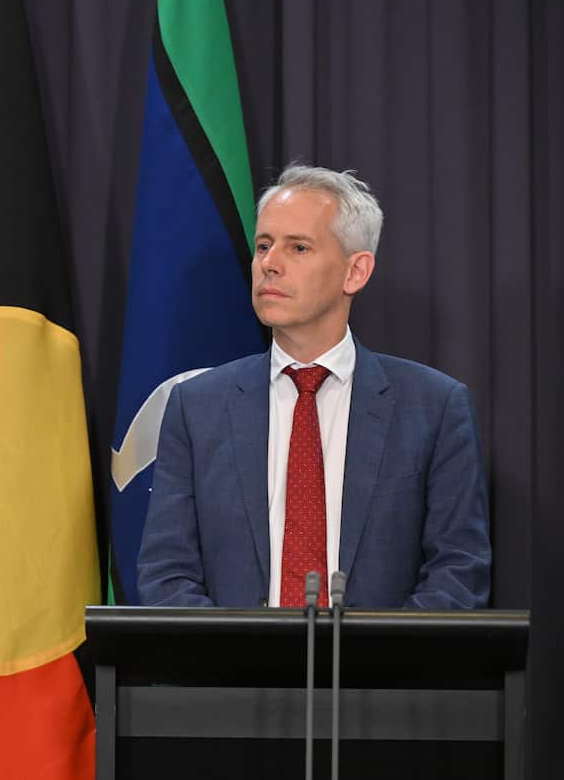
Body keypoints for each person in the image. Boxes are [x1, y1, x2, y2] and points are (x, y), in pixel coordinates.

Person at [135, 165, 491, 609]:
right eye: (263, 246)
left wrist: (366, 667)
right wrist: (238, 663)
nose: (269, 263)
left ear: (355, 273)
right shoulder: (196, 407)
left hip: (375, 675)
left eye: (298, 247)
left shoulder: (435, 407)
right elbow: (166, 575)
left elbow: (458, 575)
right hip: (234, 674)